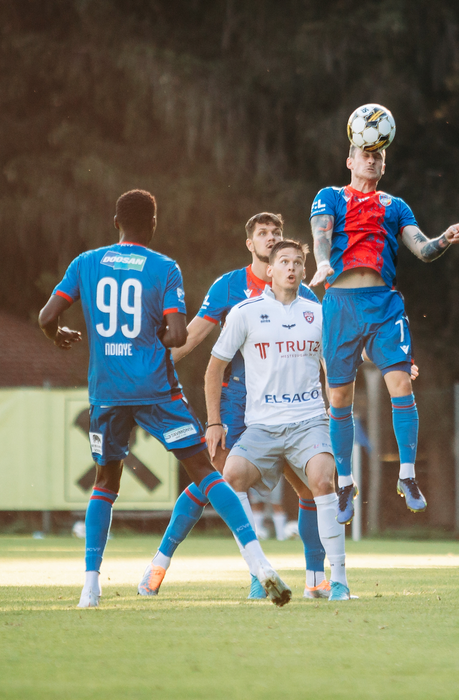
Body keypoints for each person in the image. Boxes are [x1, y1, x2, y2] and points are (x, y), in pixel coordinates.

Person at [38, 190, 290, 608]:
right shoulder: (164, 268)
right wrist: (152, 333)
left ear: (115, 222)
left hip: (108, 391)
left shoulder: (85, 263)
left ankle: (90, 588)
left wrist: (58, 335)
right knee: (207, 474)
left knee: (105, 484)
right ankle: (261, 565)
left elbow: (47, 317)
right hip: (156, 388)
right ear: (153, 225)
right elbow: (176, 335)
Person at [137, 212, 331, 600]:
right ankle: (161, 564)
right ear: (250, 244)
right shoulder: (229, 287)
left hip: (288, 409)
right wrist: (145, 372)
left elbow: (322, 355)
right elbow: (191, 338)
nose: (272, 239)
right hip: (236, 400)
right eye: (263, 234)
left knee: (310, 489)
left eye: (277, 233)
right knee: (212, 478)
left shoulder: (303, 294)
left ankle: (316, 580)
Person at [309, 144, 459, 524]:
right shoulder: (329, 196)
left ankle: (407, 476)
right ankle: (345, 481)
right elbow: (321, 237)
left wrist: (443, 238)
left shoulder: (395, 206)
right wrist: (323, 262)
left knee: (401, 383)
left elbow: (424, 250)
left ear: (384, 165)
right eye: (365, 153)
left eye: (379, 155)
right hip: (340, 303)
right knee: (340, 395)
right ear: (349, 161)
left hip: (384, 303)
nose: (372, 159)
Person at [206, 239, 353, 601]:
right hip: (262, 427)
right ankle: (259, 571)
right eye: (284, 261)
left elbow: (334, 368)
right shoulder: (245, 311)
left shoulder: (318, 313)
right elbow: (214, 368)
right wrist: (213, 422)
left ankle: (339, 581)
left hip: (309, 422)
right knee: (231, 477)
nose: (291, 268)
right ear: (269, 270)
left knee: (322, 481)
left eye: (298, 263)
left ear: (305, 271)